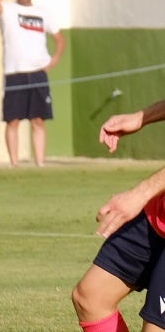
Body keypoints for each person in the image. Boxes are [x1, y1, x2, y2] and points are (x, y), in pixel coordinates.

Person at [72, 97, 165, 331]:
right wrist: (142, 117)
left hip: (151, 197)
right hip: (159, 213)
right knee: (91, 297)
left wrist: (140, 194)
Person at [0, 0, 66, 167]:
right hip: (15, 73)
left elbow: (59, 39)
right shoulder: (7, 10)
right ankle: (14, 164)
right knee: (12, 120)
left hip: (38, 72)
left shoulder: (43, 12)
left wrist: (53, 60)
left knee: (38, 120)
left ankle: (40, 163)